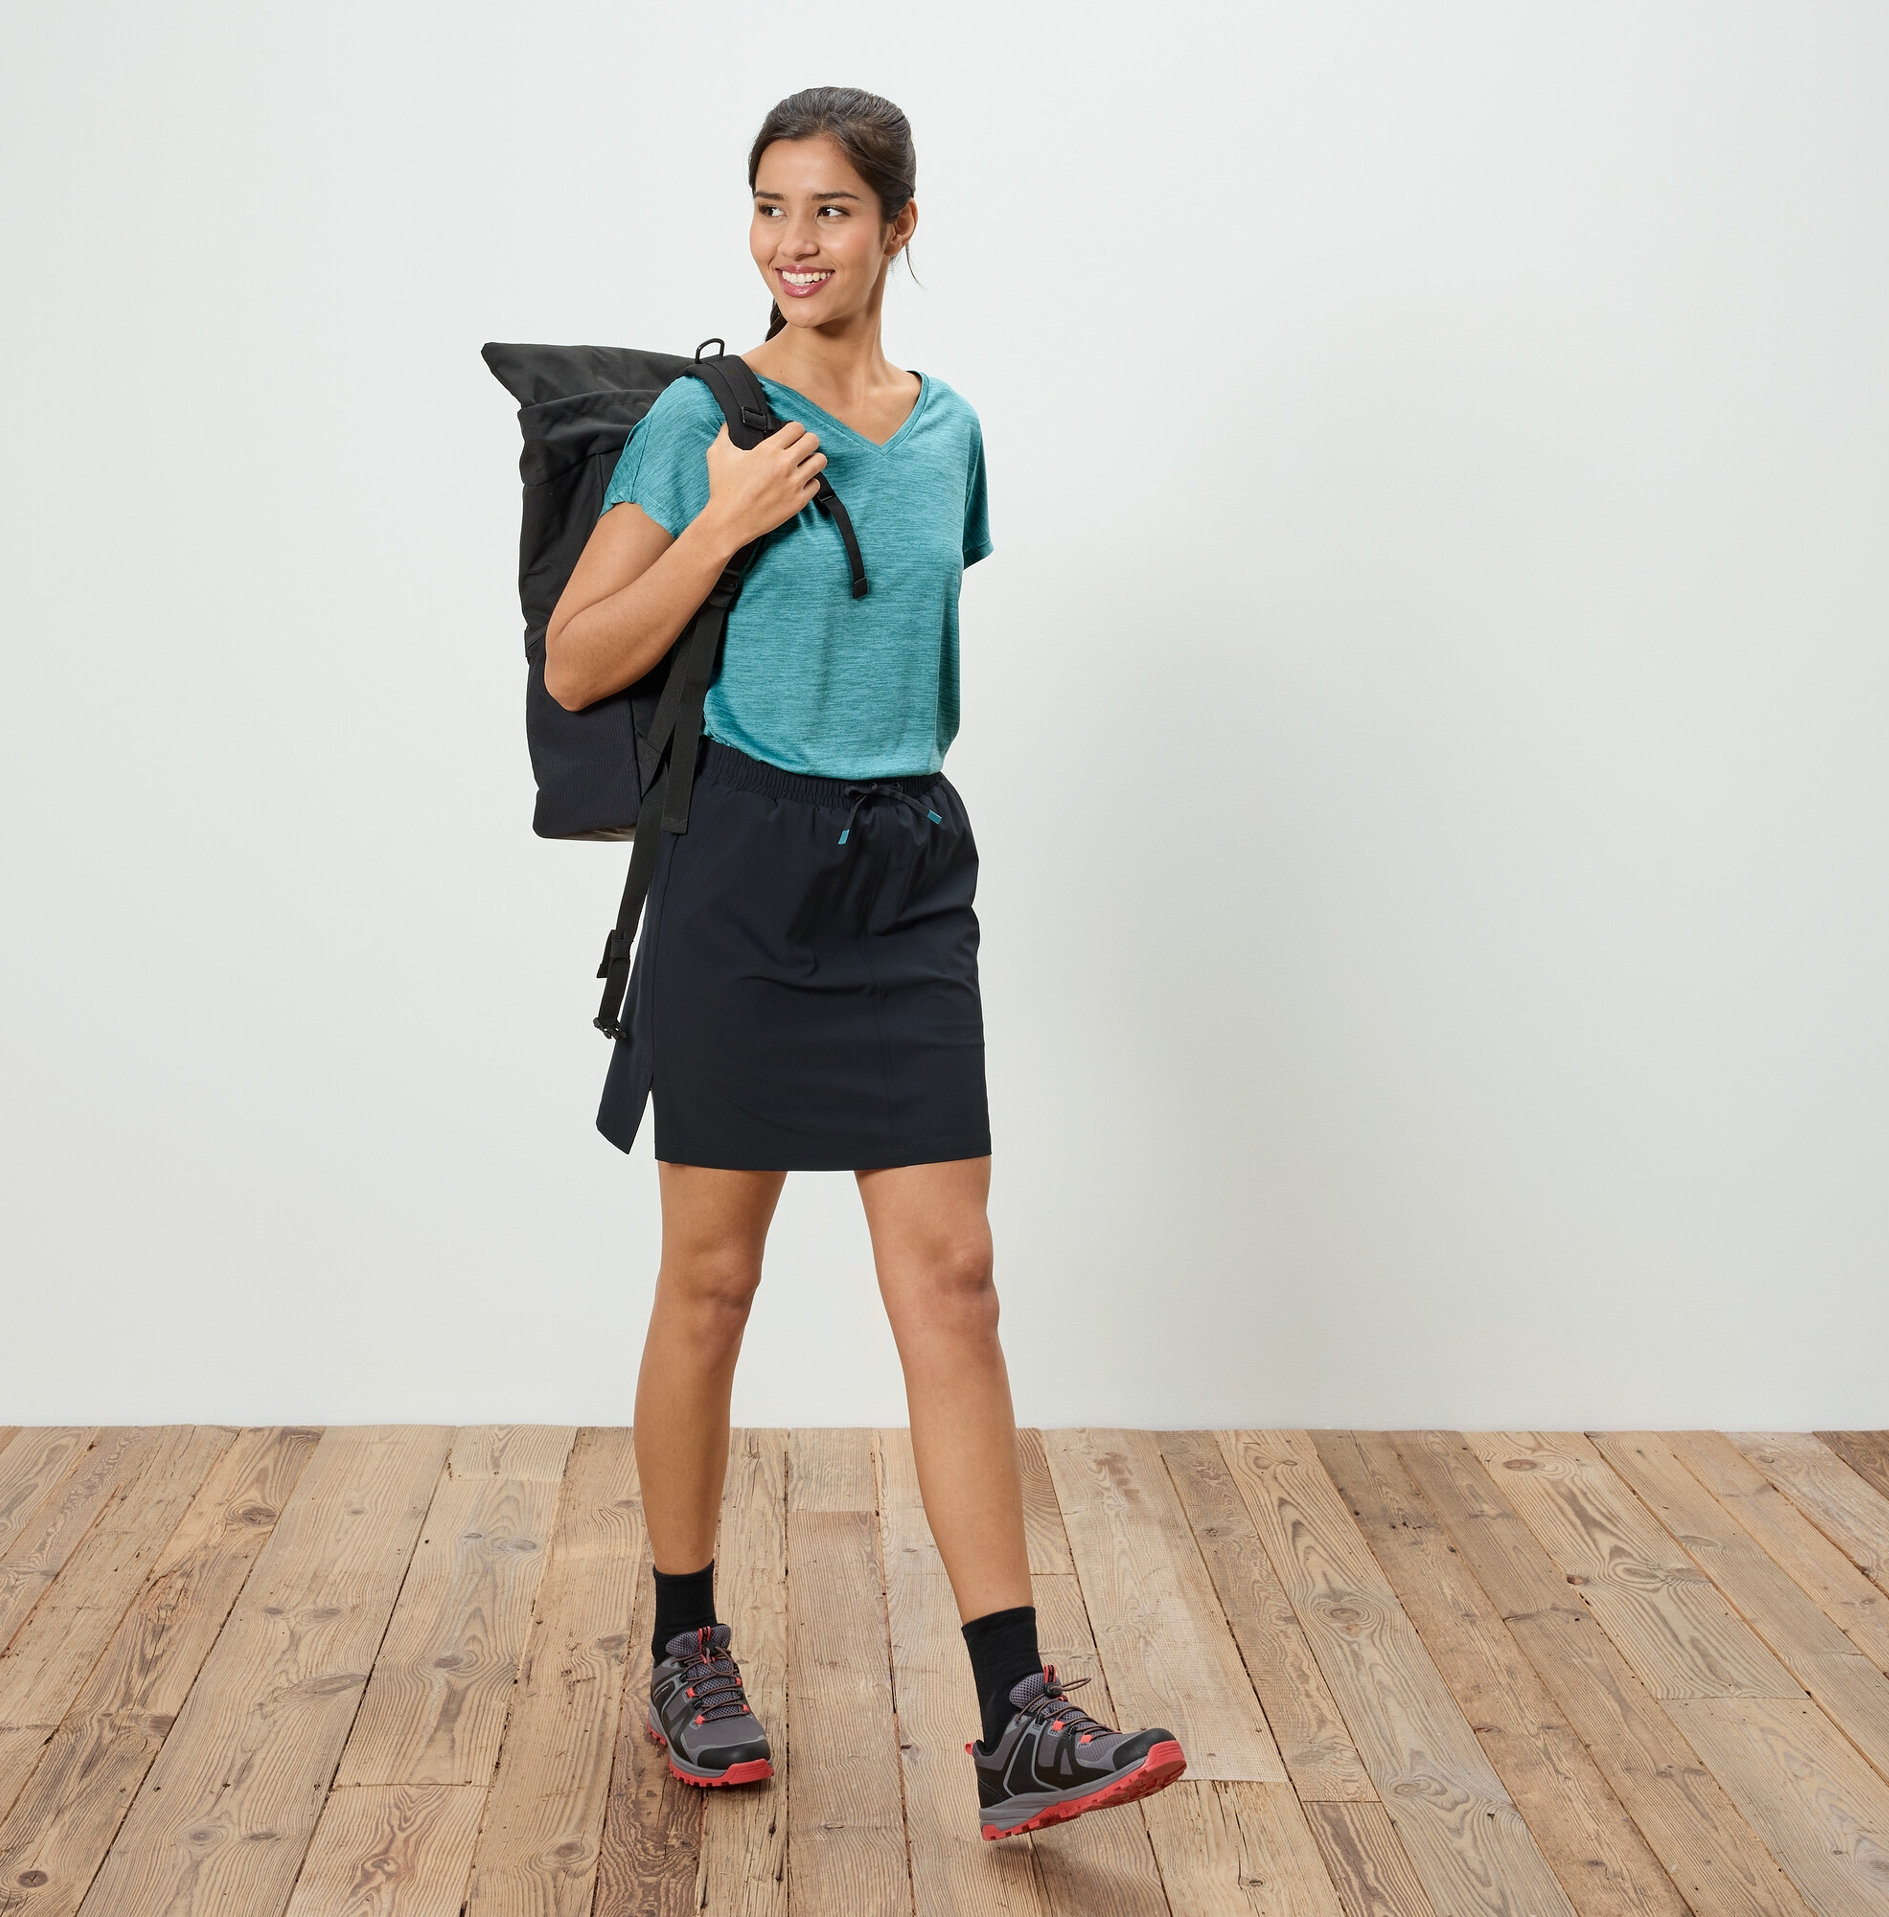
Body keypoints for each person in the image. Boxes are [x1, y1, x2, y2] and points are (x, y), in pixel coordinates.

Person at [542, 85, 1186, 1839]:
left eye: (828, 211)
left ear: (901, 227)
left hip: (906, 872)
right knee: (711, 1285)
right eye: (767, 209)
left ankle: (1016, 1716)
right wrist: (726, 519)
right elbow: (580, 660)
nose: (792, 244)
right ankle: (685, 1639)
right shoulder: (701, 421)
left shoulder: (949, 429)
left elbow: (903, 630)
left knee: (955, 1281)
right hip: (739, 870)